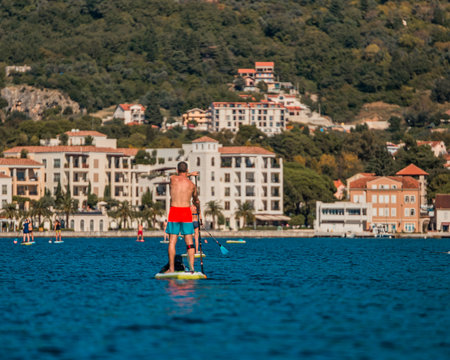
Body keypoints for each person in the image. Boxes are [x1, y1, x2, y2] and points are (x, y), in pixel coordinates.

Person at [165, 161, 199, 273]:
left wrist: (189, 174)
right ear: (187, 170)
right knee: (189, 241)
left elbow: (180, 176)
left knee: (172, 242)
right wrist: (197, 203)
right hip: (186, 212)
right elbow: (195, 200)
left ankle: (171, 268)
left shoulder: (173, 179)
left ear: (177, 170)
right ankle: (192, 268)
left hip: (174, 210)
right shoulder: (192, 185)